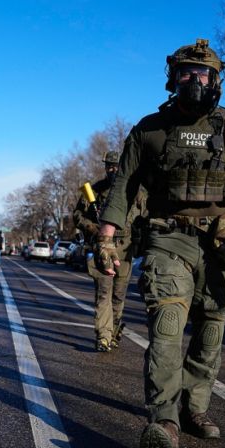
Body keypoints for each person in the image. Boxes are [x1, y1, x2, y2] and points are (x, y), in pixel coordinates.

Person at [96, 39, 225, 448]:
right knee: (167, 326)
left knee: (211, 330)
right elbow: (124, 185)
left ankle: (194, 408)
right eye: (186, 72)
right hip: (168, 238)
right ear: (172, 78)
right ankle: (165, 420)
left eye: (203, 74)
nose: (195, 80)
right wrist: (107, 237)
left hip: (223, 243)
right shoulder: (150, 129)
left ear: (216, 80)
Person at [73, 150, 146, 352]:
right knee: (104, 292)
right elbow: (77, 216)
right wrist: (94, 229)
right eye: (109, 166)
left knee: (119, 295)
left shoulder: (135, 191)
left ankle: (113, 332)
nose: (113, 170)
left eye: (116, 166)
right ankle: (103, 336)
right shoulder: (94, 191)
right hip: (103, 246)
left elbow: (145, 217)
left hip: (126, 248)